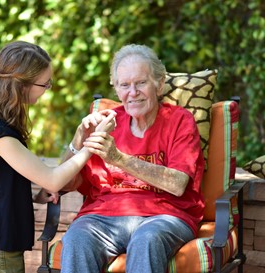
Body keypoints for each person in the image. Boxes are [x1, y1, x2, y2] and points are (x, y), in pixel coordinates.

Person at [0, 40, 116, 273]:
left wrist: (78, 138)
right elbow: (52, 179)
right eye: (45, 84)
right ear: (22, 85)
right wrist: (93, 144)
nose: (47, 89)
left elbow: (2, 184)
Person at [59, 44, 205, 273]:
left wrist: (119, 158)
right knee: (77, 239)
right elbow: (64, 184)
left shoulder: (180, 121)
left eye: (141, 83)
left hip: (164, 217)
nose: (133, 92)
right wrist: (77, 141)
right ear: (116, 89)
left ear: (159, 84)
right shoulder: (105, 123)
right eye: (124, 85)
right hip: (103, 218)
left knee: (146, 239)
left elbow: (177, 184)